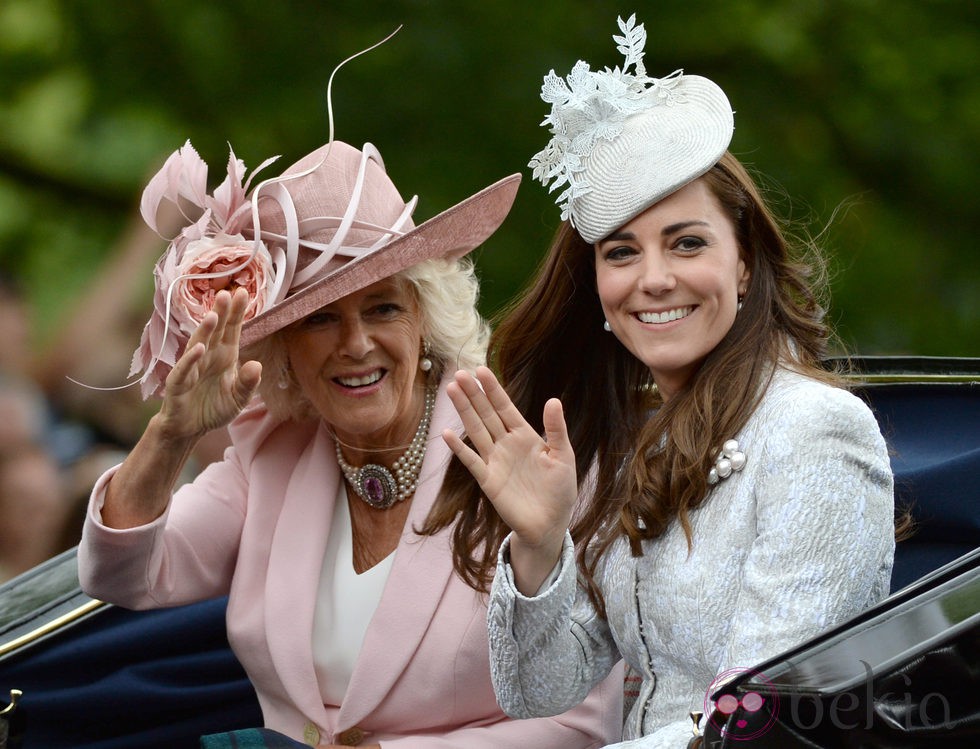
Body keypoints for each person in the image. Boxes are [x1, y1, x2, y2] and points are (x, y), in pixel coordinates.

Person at [77, 114, 622, 745]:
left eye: (383, 307)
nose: (356, 344)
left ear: (424, 322)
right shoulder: (270, 458)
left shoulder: (527, 464)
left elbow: (583, 723)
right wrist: (170, 435)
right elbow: (120, 576)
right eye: (320, 321)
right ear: (285, 352)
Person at [435, 15, 895, 749]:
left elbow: (757, 720)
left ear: (743, 262)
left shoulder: (817, 431)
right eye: (621, 252)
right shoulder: (639, 443)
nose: (653, 279)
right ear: (596, 287)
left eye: (686, 242)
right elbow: (540, 690)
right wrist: (541, 545)